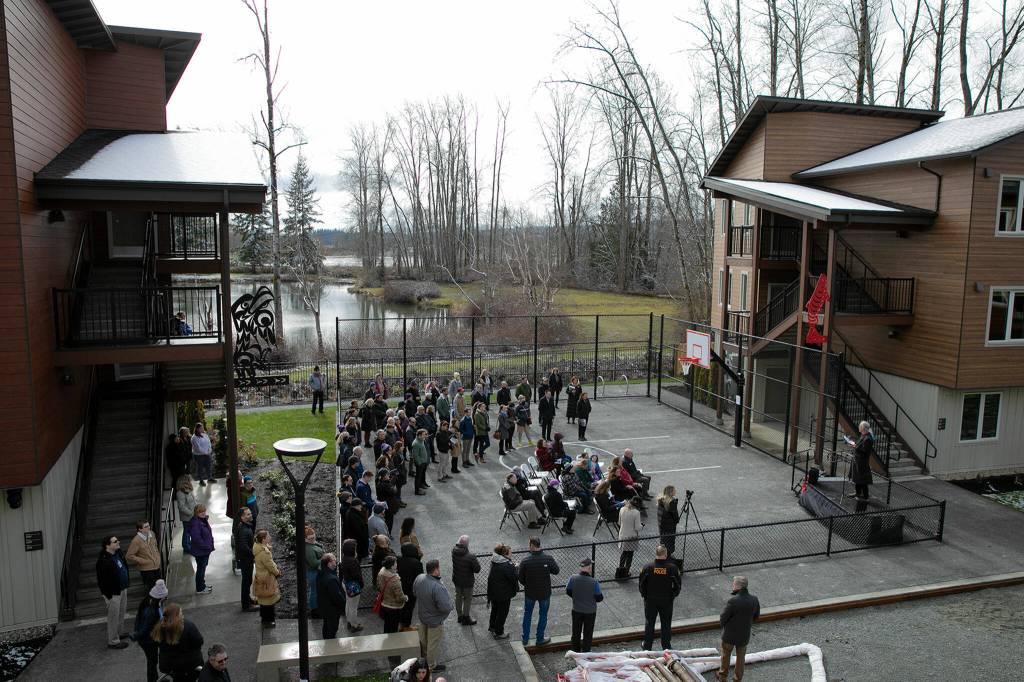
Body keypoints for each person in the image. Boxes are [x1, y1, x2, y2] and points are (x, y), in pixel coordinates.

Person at [413, 559, 454, 674]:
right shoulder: (437, 586)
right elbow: (445, 607)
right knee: (433, 644)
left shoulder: (419, 578)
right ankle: (430, 666)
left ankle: (424, 659)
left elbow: (414, 592)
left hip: (422, 616)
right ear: (436, 570)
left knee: (424, 640)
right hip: (435, 621)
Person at [639, 545, 682, 651]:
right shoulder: (672, 568)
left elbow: (641, 584)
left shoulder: (647, 567)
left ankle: (647, 646)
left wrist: (645, 595)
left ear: (656, 553)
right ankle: (666, 646)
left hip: (650, 600)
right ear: (666, 554)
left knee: (650, 622)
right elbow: (678, 585)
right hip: (666, 600)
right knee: (666, 623)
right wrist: (673, 595)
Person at [518, 536, 559, 646]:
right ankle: (540, 639)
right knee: (543, 615)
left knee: (527, 614)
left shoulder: (525, 561)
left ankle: (525, 639)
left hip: (530, 593)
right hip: (544, 593)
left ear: (532, 545)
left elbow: (520, 578)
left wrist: (528, 585)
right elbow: (556, 571)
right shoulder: (548, 558)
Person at [718, 576, 760, 682]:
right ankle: (737, 679)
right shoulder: (754, 599)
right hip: (744, 635)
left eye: (733, 584)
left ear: (738, 586)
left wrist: (724, 626)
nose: (732, 585)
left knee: (725, 656)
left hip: (729, 635)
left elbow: (723, 618)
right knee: (741, 658)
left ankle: (723, 676)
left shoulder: (733, 601)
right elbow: (756, 616)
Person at [565, 558, 603, 652]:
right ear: (589, 568)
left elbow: (568, 591)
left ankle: (575, 650)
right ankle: (586, 652)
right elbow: (599, 598)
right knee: (588, 633)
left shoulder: (572, 578)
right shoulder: (594, 582)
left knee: (576, 632)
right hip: (590, 612)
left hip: (576, 609)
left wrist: (577, 598)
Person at [133, 579, 167, 681]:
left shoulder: (150, 602)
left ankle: (155, 679)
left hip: (150, 637)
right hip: (147, 641)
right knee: (152, 661)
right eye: (165, 597)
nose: (166, 598)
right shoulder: (151, 612)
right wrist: (135, 636)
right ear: (159, 598)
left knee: (153, 660)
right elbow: (145, 628)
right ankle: (153, 680)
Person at [485, 543, 517, 640]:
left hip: (494, 592)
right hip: (504, 593)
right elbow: (514, 577)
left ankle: (492, 627)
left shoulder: (495, 561)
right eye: (510, 553)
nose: (511, 555)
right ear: (505, 554)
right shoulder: (507, 565)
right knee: (502, 613)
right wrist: (516, 568)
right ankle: (499, 632)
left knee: (495, 610)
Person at [252, 530, 281, 627]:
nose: (270, 537)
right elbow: (270, 566)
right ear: (264, 539)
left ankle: (264, 618)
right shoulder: (264, 553)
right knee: (269, 600)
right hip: (267, 579)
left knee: (263, 599)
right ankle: (268, 621)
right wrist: (277, 572)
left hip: (261, 577)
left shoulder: (258, 548)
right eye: (268, 536)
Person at [450, 535, 481, 625]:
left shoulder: (453, 551)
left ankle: (460, 616)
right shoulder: (471, 556)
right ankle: (466, 617)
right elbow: (477, 569)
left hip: (457, 579)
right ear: (467, 544)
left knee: (458, 597)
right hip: (467, 582)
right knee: (467, 599)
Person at [186, 504, 215, 594]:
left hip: (204, 550)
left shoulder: (202, 520)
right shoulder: (195, 523)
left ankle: (202, 585)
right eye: (200, 512)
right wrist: (206, 546)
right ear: (196, 513)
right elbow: (196, 539)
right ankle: (200, 588)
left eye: (204, 511)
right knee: (201, 570)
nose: (203, 513)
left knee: (202, 568)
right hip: (201, 551)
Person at [126, 519, 161, 591]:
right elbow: (129, 556)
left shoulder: (152, 533)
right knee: (152, 589)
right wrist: (142, 561)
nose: (149, 528)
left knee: (160, 587)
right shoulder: (136, 540)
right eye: (146, 527)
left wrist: (158, 557)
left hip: (156, 566)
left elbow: (155, 546)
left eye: (148, 525)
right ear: (140, 529)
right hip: (147, 569)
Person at [317, 553, 346, 639]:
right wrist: (343, 603)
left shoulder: (320, 575)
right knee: (332, 629)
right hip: (332, 610)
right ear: (329, 564)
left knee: (326, 626)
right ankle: (330, 645)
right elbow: (336, 596)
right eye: (334, 560)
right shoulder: (331, 579)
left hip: (324, 607)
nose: (336, 561)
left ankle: (326, 641)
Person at [378, 554, 408, 635]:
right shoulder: (395, 580)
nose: (397, 564)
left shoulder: (381, 573)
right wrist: (405, 598)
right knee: (394, 626)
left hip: (384, 604)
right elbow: (399, 597)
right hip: (394, 607)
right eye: (395, 563)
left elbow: (379, 586)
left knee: (387, 624)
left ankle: (386, 638)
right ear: (391, 566)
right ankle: (392, 643)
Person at [398, 542, 425, 630]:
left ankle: (402, 623)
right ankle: (406, 626)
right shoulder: (416, 563)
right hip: (411, 589)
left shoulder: (398, 559)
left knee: (402, 607)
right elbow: (420, 577)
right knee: (409, 608)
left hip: (399, 587)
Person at [234, 507, 256, 611]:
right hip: (246, 559)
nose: (250, 515)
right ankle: (246, 605)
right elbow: (243, 547)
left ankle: (248, 599)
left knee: (248, 580)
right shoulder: (243, 529)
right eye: (247, 514)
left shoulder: (245, 526)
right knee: (246, 581)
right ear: (242, 517)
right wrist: (254, 552)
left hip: (246, 559)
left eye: (250, 513)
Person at [340, 538, 364, 632]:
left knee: (348, 604)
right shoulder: (353, 561)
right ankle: (354, 625)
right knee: (354, 607)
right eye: (355, 548)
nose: (356, 550)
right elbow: (357, 576)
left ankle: (349, 622)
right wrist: (361, 584)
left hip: (346, 584)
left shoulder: (344, 559)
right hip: (353, 586)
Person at [617, 498, 643, 578]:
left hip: (622, 535)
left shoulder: (622, 509)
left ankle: (620, 571)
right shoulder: (636, 513)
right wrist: (642, 526)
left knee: (623, 554)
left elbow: (619, 522)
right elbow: (638, 528)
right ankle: (626, 572)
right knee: (630, 555)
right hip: (632, 537)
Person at [849, 420, 875, 502]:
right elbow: (860, 446)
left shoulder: (868, 438)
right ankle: (858, 493)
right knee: (857, 478)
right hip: (858, 461)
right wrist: (855, 445)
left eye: (860, 426)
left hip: (862, 462)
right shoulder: (863, 436)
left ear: (863, 428)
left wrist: (855, 446)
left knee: (863, 480)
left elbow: (864, 450)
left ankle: (865, 497)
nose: (859, 428)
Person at [305, 526, 325, 618]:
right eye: (311, 538)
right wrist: (324, 559)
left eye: (314, 536)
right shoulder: (308, 549)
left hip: (316, 572)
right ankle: (315, 610)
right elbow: (313, 563)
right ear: (305, 538)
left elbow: (319, 546)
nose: (313, 539)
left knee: (315, 590)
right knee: (314, 591)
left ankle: (316, 608)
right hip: (313, 573)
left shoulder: (312, 544)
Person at [657, 486, 681, 561]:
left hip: (662, 526)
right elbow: (675, 517)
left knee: (663, 542)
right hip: (670, 527)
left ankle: (663, 556)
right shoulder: (671, 502)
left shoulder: (661, 500)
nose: (675, 491)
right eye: (674, 490)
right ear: (671, 492)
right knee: (670, 542)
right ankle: (668, 558)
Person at [176, 476, 196, 554]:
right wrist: (191, 513)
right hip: (187, 517)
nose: (190, 482)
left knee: (190, 531)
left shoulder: (189, 490)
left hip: (193, 515)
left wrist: (197, 510)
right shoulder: (180, 493)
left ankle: (189, 545)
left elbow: (193, 501)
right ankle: (186, 547)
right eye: (188, 480)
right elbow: (181, 507)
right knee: (187, 531)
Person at [411, 429, 430, 495]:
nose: (425, 436)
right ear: (419, 435)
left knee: (422, 475)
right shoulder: (416, 443)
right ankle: (417, 490)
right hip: (420, 463)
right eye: (424, 435)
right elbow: (415, 455)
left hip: (423, 462)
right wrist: (419, 463)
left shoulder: (421, 440)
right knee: (418, 477)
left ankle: (421, 485)